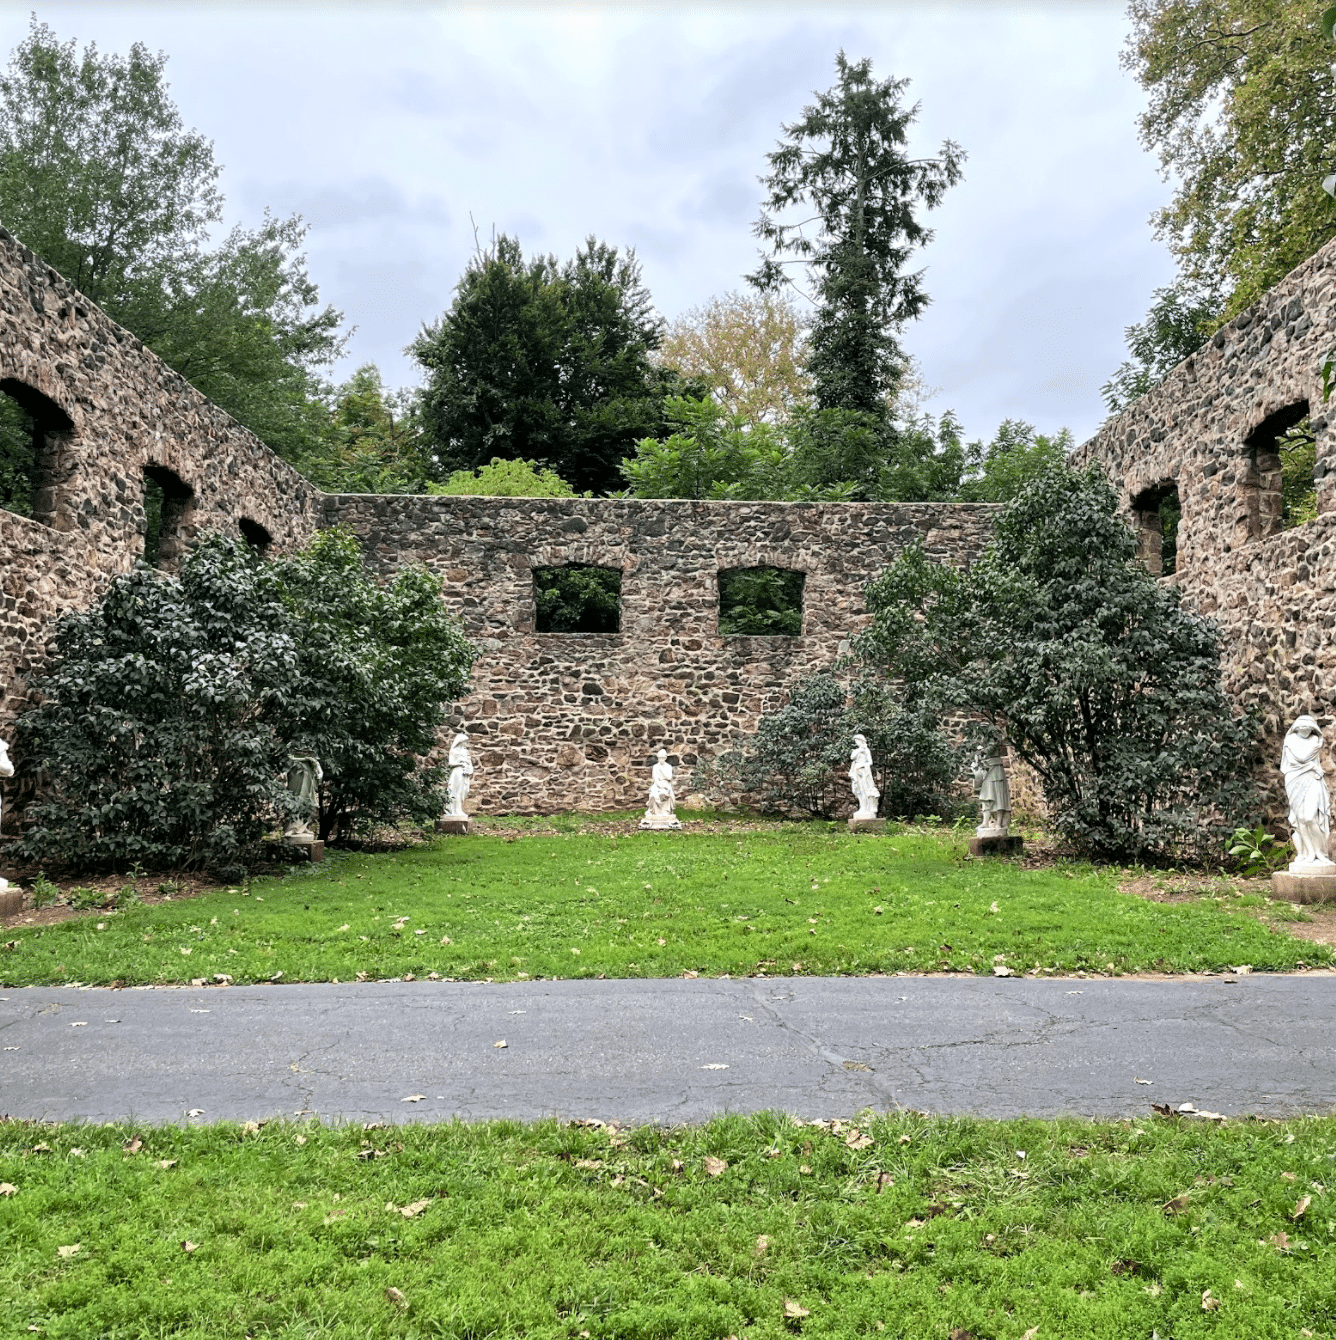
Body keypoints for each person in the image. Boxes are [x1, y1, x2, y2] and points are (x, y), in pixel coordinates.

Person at [1282, 714, 1333, 868]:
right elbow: (1297, 759)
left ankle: (1321, 853)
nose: (1305, 731)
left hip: (1312, 779)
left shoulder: (1314, 739)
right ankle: (1309, 853)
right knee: (1300, 820)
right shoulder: (1290, 739)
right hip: (1294, 780)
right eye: (1302, 728)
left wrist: (1310, 766)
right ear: (1296, 727)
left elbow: (1303, 759)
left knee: (1310, 817)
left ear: (1313, 729)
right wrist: (1311, 763)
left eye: (1309, 728)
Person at [971, 749, 1012, 836]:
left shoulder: (993, 736)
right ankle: (985, 822)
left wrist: (980, 751)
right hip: (986, 769)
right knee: (986, 796)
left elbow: (990, 748)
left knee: (998, 797)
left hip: (996, 769)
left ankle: (999, 822)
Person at [640, 748, 682, 829]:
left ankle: (666, 812)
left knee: (666, 794)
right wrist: (660, 785)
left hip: (666, 783)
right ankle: (654, 812)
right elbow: (655, 778)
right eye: (659, 758)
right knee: (653, 795)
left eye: (662, 758)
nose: (661, 760)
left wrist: (662, 771)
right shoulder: (655, 767)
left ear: (665, 758)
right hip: (657, 784)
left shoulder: (668, 766)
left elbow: (669, 777)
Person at [284, 754, 323, 840]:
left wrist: (320, 773)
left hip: (309, 778)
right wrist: (305, 759)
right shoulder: (292, 745)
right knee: (295, 802)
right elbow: (288, 757)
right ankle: (292, 828)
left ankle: (303, 827)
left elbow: (316, 763)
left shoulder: (310, 750)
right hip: (296, 774)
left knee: (308, 803)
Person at [849, 733, 879, 820]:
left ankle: (866, 809)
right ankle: (862, 808)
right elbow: (852, 757)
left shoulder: (866, 751)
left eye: (857, 741)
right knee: (857, 790)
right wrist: (859, 750)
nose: (856, 742)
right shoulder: (856, 750)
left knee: (865, 790)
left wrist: (862, 764)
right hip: (856, 771)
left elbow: (870, 762)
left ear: (861, 741)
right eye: (855, 741)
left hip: (864, 772)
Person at [445, 732, 474, 818]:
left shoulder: (465, 751)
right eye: (465, 741)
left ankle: (459, 809)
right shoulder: (454, 751)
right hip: (457, 772)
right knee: (456, 791)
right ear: (460, 741)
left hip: (465, 773)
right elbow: (450, 763)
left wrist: (470, 769)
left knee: (464, 791)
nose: (466, 743)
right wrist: (460, 764)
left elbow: (469, 762)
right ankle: (455, 810)